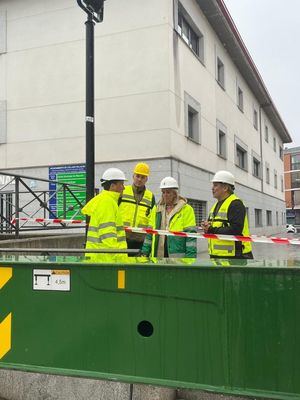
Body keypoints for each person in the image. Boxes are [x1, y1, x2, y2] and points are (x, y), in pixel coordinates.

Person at [201, 170, 253, 259]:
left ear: (225, 188)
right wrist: (207, 227)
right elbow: (214, 227)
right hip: (218, 256)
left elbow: (235, 230)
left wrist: (211, 229)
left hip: (236, 257)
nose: (212, 188)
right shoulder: (216, 205)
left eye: (215, 185)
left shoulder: (235, 204)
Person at [141, 177, 197, 258]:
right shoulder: (156, 209)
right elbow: (149, 233)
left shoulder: (186, 209)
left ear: (175, 193)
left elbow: (191, 236)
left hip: (178, 258)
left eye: (168, 192)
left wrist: (191, 258)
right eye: (163, 192)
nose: (165, 195)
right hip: (158, 255)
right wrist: (144, 252)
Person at [82, 168, 128, 262]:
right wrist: (117, 257)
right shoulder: (108, 202)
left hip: (101, 257)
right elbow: (108, 235)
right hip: (106, 259)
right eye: (121, 184)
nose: (124, 187)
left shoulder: (106, 200)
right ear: (112, 186)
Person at [119, 162, 155, 252]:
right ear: (133, 176)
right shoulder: (123, 191)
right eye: (137, 176)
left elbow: (152, 219)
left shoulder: (150, 196)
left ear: (146, 179)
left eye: (143, 177)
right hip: (122, 238)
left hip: (141, 241)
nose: (139, 179)